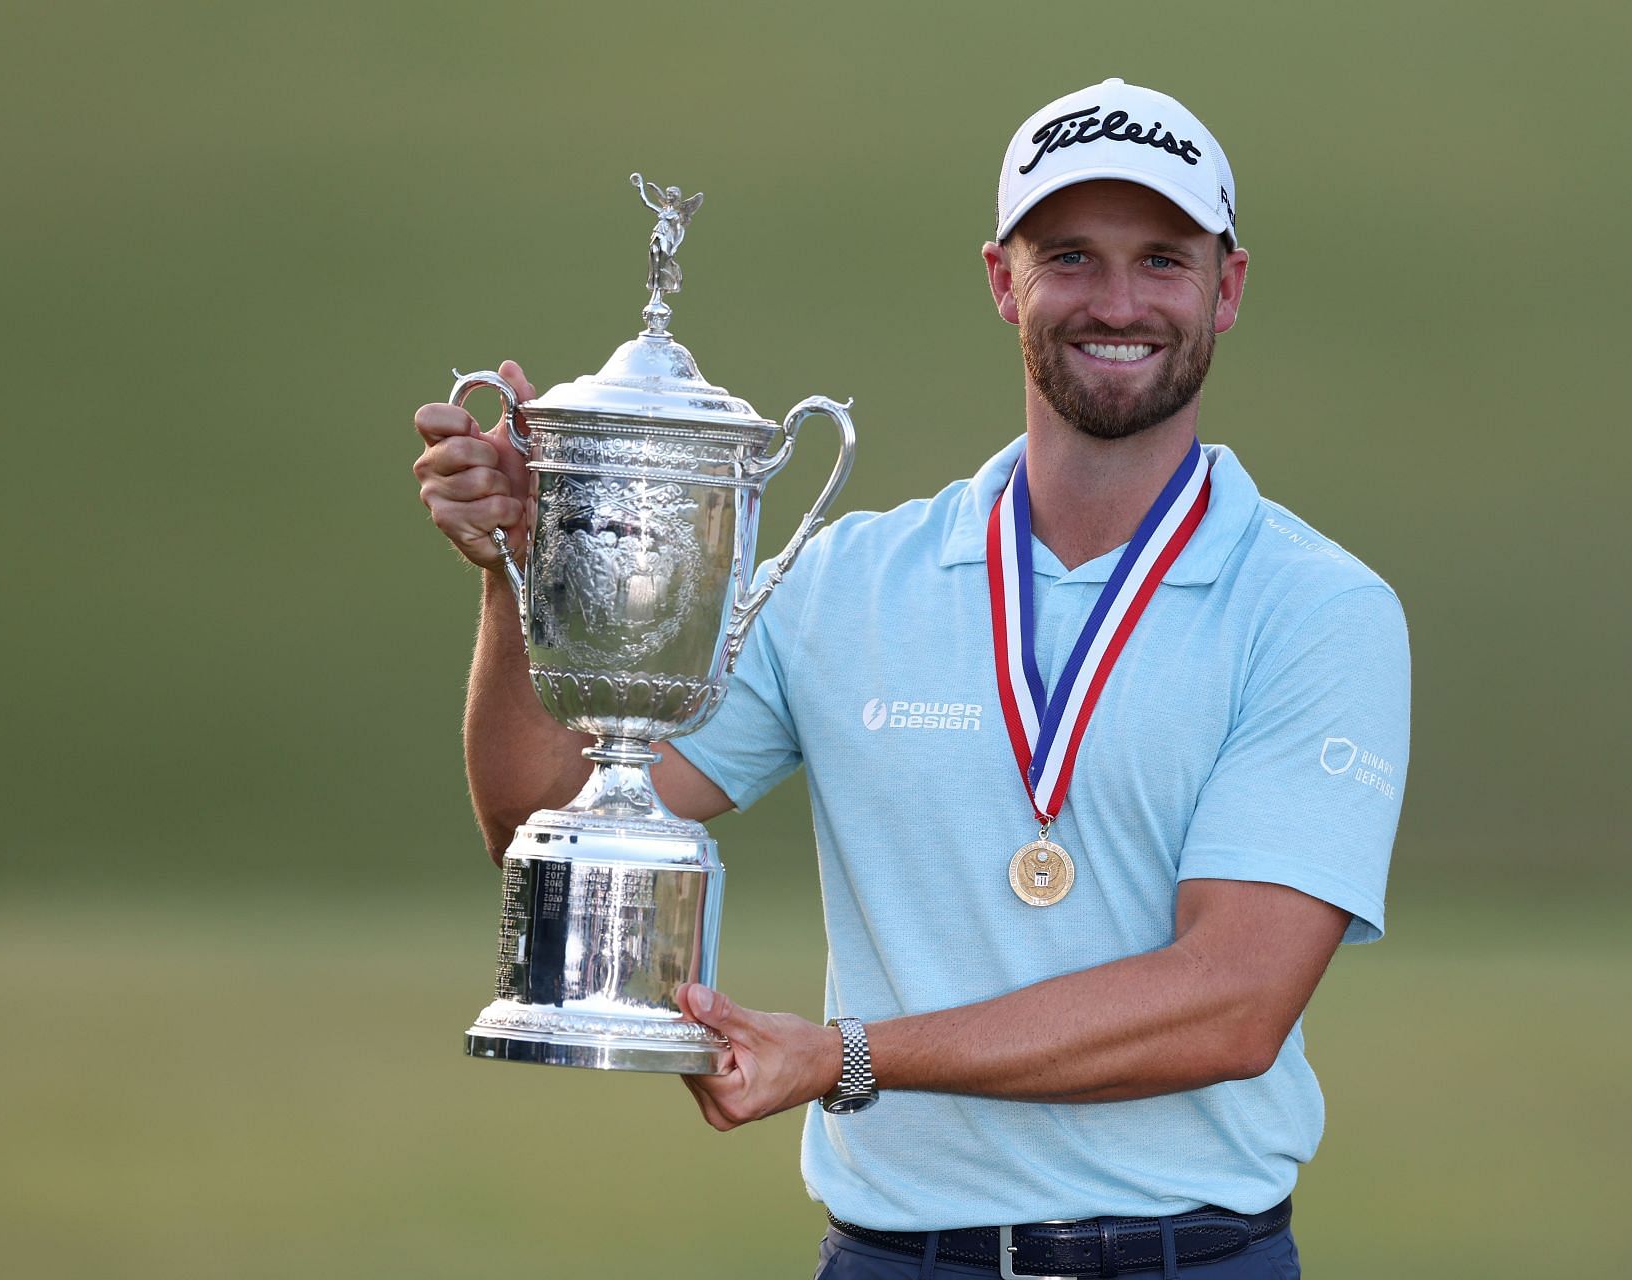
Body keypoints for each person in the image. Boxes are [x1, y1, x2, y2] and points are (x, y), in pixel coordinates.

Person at [413, 77, 1410, 1280]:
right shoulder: (849, 580)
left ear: (1227, 287)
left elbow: (1234, 999)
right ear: (1003, 278)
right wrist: (533, 571)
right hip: (896, 1258)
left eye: (1161, 259)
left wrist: (846, 1056)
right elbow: (544, 824)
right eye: (1072, 257)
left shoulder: (1315, 606)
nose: (1118, 301)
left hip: (1190, 1256)